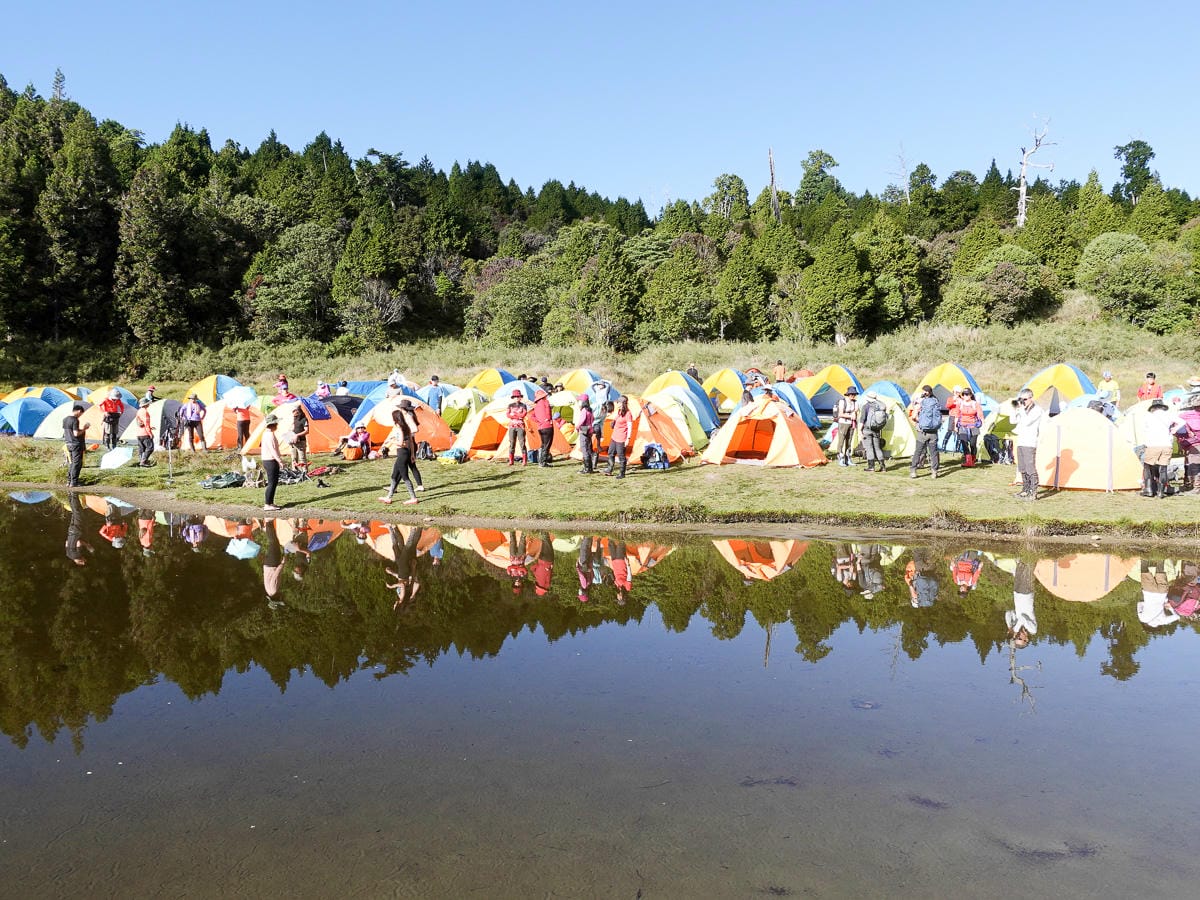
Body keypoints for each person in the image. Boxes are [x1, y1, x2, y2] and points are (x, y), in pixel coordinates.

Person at [379, 404, 423, 504]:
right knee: (395, 474)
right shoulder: (407, 427)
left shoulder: (399, 428)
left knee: (404, 476)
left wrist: (390, 441)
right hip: (407, 453)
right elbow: (411, 442)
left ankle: (413, 498)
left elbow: (400, 442)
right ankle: (389, 497)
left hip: (402, 453)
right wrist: (412, 454)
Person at [1140, 398, 1182, 498]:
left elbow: (1145, 430)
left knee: (1148, 467)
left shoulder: (1148, 416)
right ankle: (1161, 492)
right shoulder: (1169, 415)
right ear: (1163, 407)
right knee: (1163, 468)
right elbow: (1182, 422)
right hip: (1167, 444)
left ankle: (1148, 490)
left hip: (1153, 444)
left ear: (1153, 408)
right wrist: (1174, 429)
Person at [1010, 388, 1043, 500]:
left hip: (1030, 442)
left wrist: (1022, 410)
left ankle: (1033, 492)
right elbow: (1012, 421)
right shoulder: (1022, 410)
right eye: (1021, 399)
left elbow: (1027, 422)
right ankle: (1025, 490)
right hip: (1021, 441)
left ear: (1031, 398)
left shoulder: (1037, 410)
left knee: (1030, 468)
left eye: (1025, 399)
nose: (1023, 402)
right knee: (1022, 467)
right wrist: (1014, 409)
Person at [909, 385, 942, 478]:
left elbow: (914, 417)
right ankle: (934, 472)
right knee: (934, 452)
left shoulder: (920, 403)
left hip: (922, 432)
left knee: (918, 451)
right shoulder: (936, 401)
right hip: (934, 432)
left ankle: (913, 471)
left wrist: (919, 422)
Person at [1007, 560, 1037, 648]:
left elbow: (1009, 613)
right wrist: (1015, 630)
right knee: (1028, 565)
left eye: (1016, 637)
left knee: (1019, 564)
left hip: (1017, 593)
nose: (1018, 636)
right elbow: (1023, 618)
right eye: (1020, 638)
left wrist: (1009, 627)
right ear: (1026, 639)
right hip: (1026, 593)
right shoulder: (1032, 630)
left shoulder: (1017, 625)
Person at [1174, 394, 1200, 493]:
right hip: (1192, 444)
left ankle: (1196, 487)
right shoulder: (1187, 416)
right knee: (1192, 465)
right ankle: (1190, 484)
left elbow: (1178, 429)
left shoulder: (1186, 416)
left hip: (1193, 444)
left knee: (1195, 466)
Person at [857, 390, 887, 473]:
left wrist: (859, 431)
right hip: (877, 430)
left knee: (869, 449)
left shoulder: (866, 406)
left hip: (867, 430)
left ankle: (871, 467)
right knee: (878, 448)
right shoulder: (880, 406)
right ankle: (883, 467)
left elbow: (862, 420)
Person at [605, 395, 633, 478]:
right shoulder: (619, 411)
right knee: (610, 452)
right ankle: (609, 469)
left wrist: (628, 439)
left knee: (621, 456)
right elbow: (616, 419)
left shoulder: (628, 414)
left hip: (621, 438)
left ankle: (622, 473)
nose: (617, 404)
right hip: (614, 436)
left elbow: (630, 427)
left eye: (619, 402)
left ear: (623, 403)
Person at [955, 388, 984, 467]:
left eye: (967, 394)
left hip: (973, 426)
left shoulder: (975, 404)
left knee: (972, 444)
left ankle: (973, 458)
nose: (965, 396)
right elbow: (957, 415)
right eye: (964, 394)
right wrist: (955, 426)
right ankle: (968, 461)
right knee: (964, 443)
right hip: (962, 426)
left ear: (971, 395)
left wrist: (983, 424)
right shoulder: (960, 404)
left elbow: (980, 415)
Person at [63, 402, 88, 487]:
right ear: (78, 411)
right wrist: (84, 429)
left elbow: (68, 432)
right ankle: (74, 482)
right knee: (76, 463)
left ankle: (69, 481)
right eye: (81, 413)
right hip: (76, 444)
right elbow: (76, 434)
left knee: (71, 462)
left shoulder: (65, 419)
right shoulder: (75, 420)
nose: (80, 415)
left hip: (68, 444)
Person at [261, 413, 283, 511]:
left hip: (268, 460)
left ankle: (270, 502)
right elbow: (272, 449)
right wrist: (279, 460)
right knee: (272, 483)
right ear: (273, 424)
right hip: (270, 460)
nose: (277, 426)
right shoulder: (269, 435)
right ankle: (267, 504)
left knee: (273, 483)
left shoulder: (266, 434)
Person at [833, 386, 859, 466]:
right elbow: (840, 414)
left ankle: (848, 458)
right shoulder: (842, 401)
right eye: (851, 394)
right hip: (843, 423)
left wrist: (854, 413)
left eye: (854, 394)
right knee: (841, 440)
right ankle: (840, 458)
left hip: (851, 423)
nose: (853, 396)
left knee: (849, 441)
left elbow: (856, 410)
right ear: (848, 394)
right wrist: (850, 416)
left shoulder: (855, 402)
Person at [263, 518, 285, 609]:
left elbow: (275, 575)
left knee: (273, 543)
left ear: (275, 598)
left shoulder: (273, 590)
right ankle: (269, 524)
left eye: (279, 599)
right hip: (268, 564)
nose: (280, 597)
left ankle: (268, 522)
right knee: (274, 543)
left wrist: (282, 564)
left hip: (272, 564)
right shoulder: (269, 591)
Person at [64, 494, 93, 565]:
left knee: (78, 512)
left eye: (84, 559)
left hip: (77, 530)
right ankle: (70, 495)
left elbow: (79, 542)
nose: (84, 558)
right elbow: (67, 542)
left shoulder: (78, 555)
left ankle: (74, 494)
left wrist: (88, 546)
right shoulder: (69, 555)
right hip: (71, 531)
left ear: (80, 561)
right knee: (74, 513)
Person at [530, 388, 554, 466]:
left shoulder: (536, 406)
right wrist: (547, 419)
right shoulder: (546, 402)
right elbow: (548, 414)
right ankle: (543, 462)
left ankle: (540, 461)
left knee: (543, 444)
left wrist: (539, 421)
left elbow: (531, 416)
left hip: (540, 427)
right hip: (547, 426)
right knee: (547, 445)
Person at [506, 389, 528, 466]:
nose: (517, 398)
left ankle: (524, 461)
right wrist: (518, 416)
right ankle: (511, 461)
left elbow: (524, 414)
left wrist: (514, 416)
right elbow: (508, 415)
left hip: (520, 426)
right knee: (512, 443)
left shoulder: (523, 405)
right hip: (512, 426)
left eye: (518, 396)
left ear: (520, 397)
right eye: (515, 397)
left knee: (522, 443)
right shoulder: (510, 405)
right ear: (513, 397)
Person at [576, 396, 596, 474]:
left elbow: (582, 421)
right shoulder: (590, 410)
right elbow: (593, 419)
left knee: (584, 449)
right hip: (589, 429)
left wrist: (577, 427)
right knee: (588, 448)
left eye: (579, 401)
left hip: (584, 429)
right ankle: (589, 468)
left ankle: (587, 469)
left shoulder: (584, 410)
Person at [134, 397, 155, 466]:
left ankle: (141, 461)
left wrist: (150, 428)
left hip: (138, 433)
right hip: (145, 434)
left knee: (142, 448)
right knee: (150, 448)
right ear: (146, 404)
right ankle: (143, 461)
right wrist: (150, 433)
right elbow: (146, 424)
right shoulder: (145, 412)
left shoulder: (139, 411)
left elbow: (139, 422)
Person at [290, 405, 309, 471]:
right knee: (294, 458)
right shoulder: (294, 418)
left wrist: (297, 435)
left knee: (302, 458)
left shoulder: (304, 419)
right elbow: (294, 428)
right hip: (293, 442)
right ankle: (294, 471)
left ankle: (305, 472)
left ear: (297, 411)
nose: (293, 413)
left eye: (293, 411)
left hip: (301, 441)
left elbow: (306, 431)